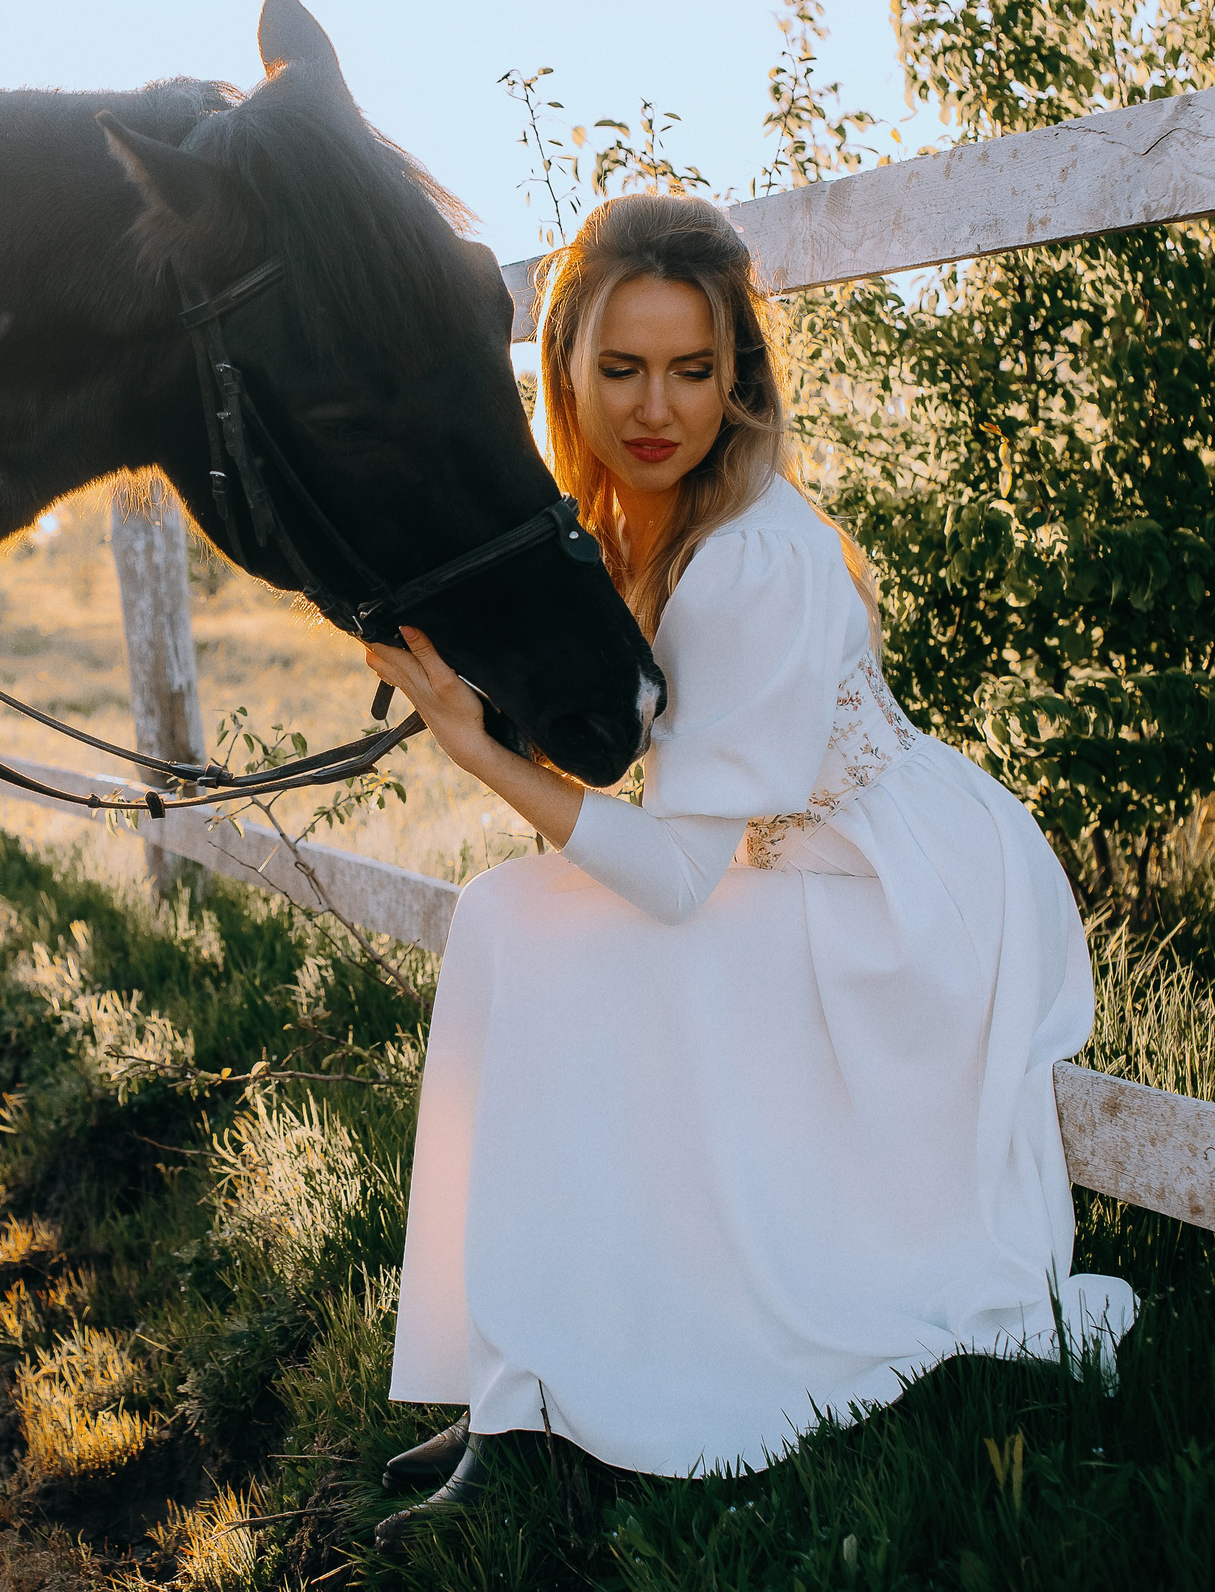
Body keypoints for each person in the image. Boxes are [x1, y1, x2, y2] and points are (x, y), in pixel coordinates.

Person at [363, 194, 1133, 1544]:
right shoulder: (631, 515)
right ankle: (516, 1382)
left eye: (694, 368)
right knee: (502, 919)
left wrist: (476, 752)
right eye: (620, 368)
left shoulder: (752, 560)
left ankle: (559, 1399)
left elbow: (673, 883)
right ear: (567, 376)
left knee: (553, 954)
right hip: (782, 869)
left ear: (738, 377)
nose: (656, 405)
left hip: (891, 911)